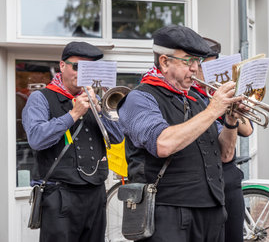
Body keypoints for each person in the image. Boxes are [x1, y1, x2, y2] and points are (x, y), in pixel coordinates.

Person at [118, 25, 244, 242]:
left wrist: (231, 119)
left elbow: (225, 155)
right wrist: (214, 110)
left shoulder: (196, 99)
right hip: (169, 214)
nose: (195, 68)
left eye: (198, 61)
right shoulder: (139, 98)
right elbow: (162, 144)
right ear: (165, 62)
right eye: (188, 61)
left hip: (211, 211)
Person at [22, 41, 124, 242]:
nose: (82, 73)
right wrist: (73, 114)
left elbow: (117, 137)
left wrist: (103, 109)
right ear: (62, 66)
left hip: (95, 193)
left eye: (90, 69)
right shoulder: (41, 98)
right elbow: (36, 138)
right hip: (60, 194)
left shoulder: (96, 99)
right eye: (77, 67)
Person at [191, 37, 253, 242]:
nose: (209, 75)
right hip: (203, 181)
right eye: (204, 68)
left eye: (214, 67)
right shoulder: (189, 95)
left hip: (229, 179)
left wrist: (233, 108)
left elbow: (248, 130)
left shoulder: (220, 93)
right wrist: (214, 106)